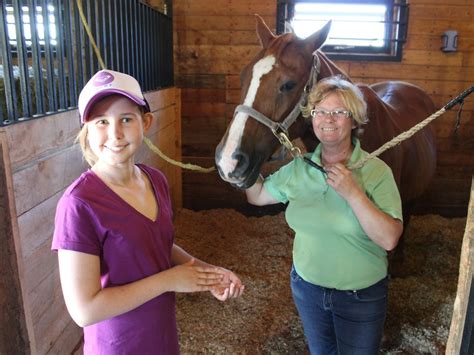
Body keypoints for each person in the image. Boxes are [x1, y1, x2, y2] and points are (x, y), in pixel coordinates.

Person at [52, 69, 244, 354]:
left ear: (146, 122)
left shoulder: (155, 180)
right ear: (87, 130)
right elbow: (84, 309)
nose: (114, 133)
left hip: (161, 336)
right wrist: (170, 280)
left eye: (126, 119)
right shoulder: (79, 204)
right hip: (118, 345)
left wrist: (207, 273)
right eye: (101, 122)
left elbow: (155, 246)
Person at [245, 76, 403, 354]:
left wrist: (353, 193)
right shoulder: (300, 168)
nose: (328, 119)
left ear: (353, 121)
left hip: (361, 296)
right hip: (308, 291)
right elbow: (257, 196)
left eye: (339, 112)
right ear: (312, 118)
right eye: (320, 111)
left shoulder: (376, 171)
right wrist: (243, 165)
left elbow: (389, 239)